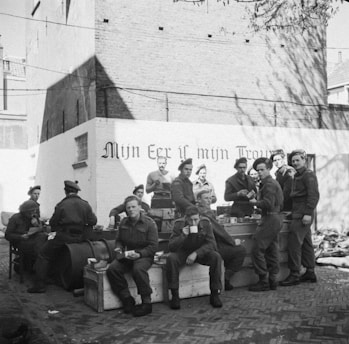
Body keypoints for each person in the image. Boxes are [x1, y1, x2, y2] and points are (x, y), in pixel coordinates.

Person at [27, 180, 97, 293]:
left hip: (64, 236)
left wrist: (57, 232)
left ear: (66, 191)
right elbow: (93, 221)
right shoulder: (85, 204)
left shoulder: (62, 205)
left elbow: (53, 223)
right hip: (81, 237)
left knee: (43, 254)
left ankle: (40, 285)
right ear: (76, 192)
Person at [106, 195, 158, 317]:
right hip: (128, 255)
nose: (131, 209)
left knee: (138, 269)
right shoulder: (124, 222)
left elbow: (153, 247)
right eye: (128, 207)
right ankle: (127, 299)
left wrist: (139, 254)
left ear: (139, 207)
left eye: (133, 207)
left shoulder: (149, 224)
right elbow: (119, 240)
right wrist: (119, 250)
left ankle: (146, 303)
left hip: (144, 255)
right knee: (113, 269)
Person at [166, 206, 223, 310]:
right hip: (183, 252)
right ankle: (175, 295)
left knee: (216, 257)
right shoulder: (178, 224)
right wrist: (182, 235)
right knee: (171, 258)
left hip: (200, 252)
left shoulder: (206, 223)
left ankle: (215, 293)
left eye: (196, 220)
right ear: (186, 219)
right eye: (190, 220)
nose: (193, 223)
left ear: (199, 218)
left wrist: (196, 253)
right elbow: (171, 247)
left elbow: (212, 244)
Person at [280, 149, 320, 286]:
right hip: (298, 213)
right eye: (293, 161)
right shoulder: (298, 175)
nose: (295, 163)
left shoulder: (308, 175)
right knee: (307, 243)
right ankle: (310, 271)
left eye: (298, 160)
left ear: (304, 160)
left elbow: (313, 195)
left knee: (294, 244)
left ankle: (294, 274)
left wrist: (308, 213)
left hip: (303, 214)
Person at [196, 190, 246, 291]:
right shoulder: (205, 213)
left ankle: (224, 279)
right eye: (206, 198)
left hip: (205, 246)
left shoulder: (199, 211)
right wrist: (232, 241)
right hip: (210, 248)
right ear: (199, 200)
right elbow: (219, 231)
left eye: (210, 198)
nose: (209, 201)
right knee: (240, 250)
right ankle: (225, 279)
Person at [247, 158, 284, 292]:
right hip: (275, 217)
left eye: (262, 169)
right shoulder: (271, 183)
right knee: (272, 249)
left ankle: (263, 281)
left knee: (257, 249)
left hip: (270, 218)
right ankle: (272, 280)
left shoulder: (268, 184)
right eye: (258, 170)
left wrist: (254, 202)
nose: (260, 172)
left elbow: (267, 203)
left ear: (269, 169)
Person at [5, 200, 47, 270]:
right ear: (25, 211)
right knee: (40, 247)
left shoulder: (33, 217)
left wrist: (37, 225)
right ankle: (39, 268)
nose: (33, 213)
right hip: (19, 241)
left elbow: (41, 230)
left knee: (44, 237)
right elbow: (7, 235)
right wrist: (20, 237)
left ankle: (39, 266)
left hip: (31, 239)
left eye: (35, 211)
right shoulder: (15, 218)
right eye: (31, 211)